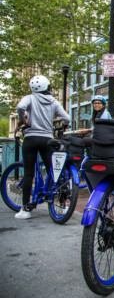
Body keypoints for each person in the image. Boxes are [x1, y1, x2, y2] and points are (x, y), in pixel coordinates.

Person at [15, 75, 71, 219]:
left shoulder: (30, 98)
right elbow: (67, 118)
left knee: (28, 174)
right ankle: (63, 206)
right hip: (47, 139)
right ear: (48, 87)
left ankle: (26, 209)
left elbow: (20, 106)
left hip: (30, 138)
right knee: (54, 172)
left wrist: (23, 120)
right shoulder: (53, 101)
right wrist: (64, 125)